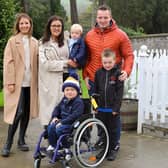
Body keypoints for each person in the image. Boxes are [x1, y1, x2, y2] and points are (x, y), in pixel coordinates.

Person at [83, 4, 134, 150]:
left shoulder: (120, 35)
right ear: (96, 18)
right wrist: (86, 76)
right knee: (98, 113)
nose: (103, 20)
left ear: (110, 17)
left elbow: (128, 55)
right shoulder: (89, 35)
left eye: (105, 17)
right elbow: (87, 58)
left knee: (113, 116)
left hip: (112, 82)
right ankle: (102, 139)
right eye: (100, 17)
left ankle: (114, 143)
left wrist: (127, 70)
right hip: (94, 82)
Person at [1, 13, 38, 157]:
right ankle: (8, 143)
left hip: (31, 83)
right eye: (21, 23)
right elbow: (8, 62)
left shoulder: (35, 42)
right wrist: (10, 81)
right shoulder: (12, 41)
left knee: (26, 113)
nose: (24, 26)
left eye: (26, 23)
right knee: (18, 112)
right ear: (18, 25)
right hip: (18, 83)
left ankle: (21, 140)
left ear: (30, 25)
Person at [38, 15, 69, 127]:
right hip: (50, 82)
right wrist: (65, 63)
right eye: (54, 26)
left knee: (65, 111)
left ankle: (62, 140)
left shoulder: (67, 41)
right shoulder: (43, 44)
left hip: (66, 80)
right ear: (49, 27)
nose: (56, 28)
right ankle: (50, 139)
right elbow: (46, 64)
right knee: (50, 112)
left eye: (59, 26)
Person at [94, 49, 124, 161]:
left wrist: (116, 108)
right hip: (100, 109)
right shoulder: (98, 73)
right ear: (102, 62)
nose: (107, 65)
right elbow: (94, 91)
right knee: (102, 129)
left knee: (113, 130)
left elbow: (120, 93)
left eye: (109, 62)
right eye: (105, 62)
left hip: (112, 110)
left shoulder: (118, 74)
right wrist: (94, 106)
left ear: (114, 61)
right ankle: (105, 149)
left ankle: (113, 148)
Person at [47, 73, 84, 150]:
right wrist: (54, 117)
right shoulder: (64, 99)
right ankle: (53, 145)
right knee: (51, 127)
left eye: (72, 90)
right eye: (67, 90)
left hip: (72, 124)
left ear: (77, 91)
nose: (69, 92)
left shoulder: (78, 102)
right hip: (63, 121)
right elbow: (57, 108)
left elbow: (75, 115)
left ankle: (66, 147)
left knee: (59, 129)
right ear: (64, 91)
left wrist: (62, 122)